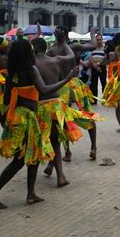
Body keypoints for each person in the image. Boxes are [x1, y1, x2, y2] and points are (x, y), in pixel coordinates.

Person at [0, 39, 78, 209]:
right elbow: (44, 90)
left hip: (18, 117)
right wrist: (67, 79)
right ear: (27, 53)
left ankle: (31, 194)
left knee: (33, 156)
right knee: (19, 160)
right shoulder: (30, 69)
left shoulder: (13, 72)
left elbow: (6, 99)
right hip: (27, 118)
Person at [33, 37, 95, 187]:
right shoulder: (55, 60)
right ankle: (59, 173)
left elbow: (41, 88)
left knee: (46, 139)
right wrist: (64, 43)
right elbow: (71, 56)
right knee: (55, 138)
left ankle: (50, 170)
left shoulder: (33, 64)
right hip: (56, 104)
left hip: (41, 106)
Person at [46, 26, 99, 162]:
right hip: (75, 84)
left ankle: (67, 152)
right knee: (88, 114)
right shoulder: (73, 47)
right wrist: (92, 33)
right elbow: (93, 45)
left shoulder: (51, 50)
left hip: (62, 85)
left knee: (60, 119)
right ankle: (93, 147)